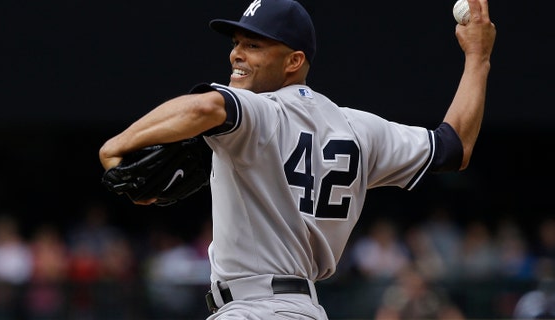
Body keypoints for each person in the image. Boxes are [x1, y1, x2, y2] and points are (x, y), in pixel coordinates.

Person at [99, 0, 496, 318]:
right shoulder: (358, 128)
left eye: (254, 45)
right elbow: (453, 146)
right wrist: (478, 57)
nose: (237, 54)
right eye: (236, 42)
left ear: (293, 61)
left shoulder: (261, 112)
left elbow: (205, 108)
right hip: (304, 309)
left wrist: (116, 144)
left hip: (252, 309)